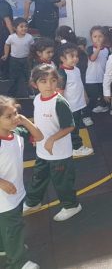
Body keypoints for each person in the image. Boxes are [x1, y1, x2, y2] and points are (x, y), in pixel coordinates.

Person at [23, 64, 82, 222]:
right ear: (34, 84)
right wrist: (35, 137)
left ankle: (71, 205)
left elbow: (69, 126)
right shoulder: (37, 99)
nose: (49, 85)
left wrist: (51, 139)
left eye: (53, 80)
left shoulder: (59, 102)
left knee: (62, 181)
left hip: (60, 154)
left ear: (57, 81)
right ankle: (33, 202)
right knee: (38, 177)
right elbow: (40, 122)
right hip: (42, 151)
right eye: (43, 81)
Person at [0, 96, 43, 269]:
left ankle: (5, 248)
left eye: (15, 113)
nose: (14, 118)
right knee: (14, 227)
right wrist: (1, 183)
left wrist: (24, 121)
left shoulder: (17, 132)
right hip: (4, 197)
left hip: (15, 191)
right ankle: (17, 262)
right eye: (8, 116)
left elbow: (39, 136)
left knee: (7, 226)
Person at [56, 44, 94, 157]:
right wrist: (62, 107)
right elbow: (60, 92)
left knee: (76, 125)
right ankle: (76, 147)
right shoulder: (62, 73)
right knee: (73, 127)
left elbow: (79, 84)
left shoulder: (76, 69)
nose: (75, 58)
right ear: (62, 59)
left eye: (76, 56)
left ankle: (71, 144)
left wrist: (85, 96)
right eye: (71, 56)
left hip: (77, 104)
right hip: (70, 106)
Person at [2, 18, 34, 98]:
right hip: (14, 60)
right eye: (21, 26)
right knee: (13, 78)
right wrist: (6, 54)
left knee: (28, 77)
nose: (24, 28)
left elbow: (32, 47)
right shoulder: (11, 37)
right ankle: (11, 94)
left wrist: (32, 56)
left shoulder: (29, 37)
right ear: (15, 28)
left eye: (26, 26)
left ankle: (31, 92)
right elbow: (7, 44)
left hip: (26, 60)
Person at [85, 26, 110, 115]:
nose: (98, 39)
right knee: (93, 96)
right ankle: (87, 114)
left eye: (100, 36)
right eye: (95, 37)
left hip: (102, 77)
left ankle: (102, 107)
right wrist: (98, 48)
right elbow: (92, 58)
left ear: (104, 37)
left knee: (102, 95)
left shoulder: (107, 49)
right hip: (91, 78)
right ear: (91, 38)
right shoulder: (90, 48)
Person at [0, 0, 14, 80]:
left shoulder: (2, 4)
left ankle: (5, 74)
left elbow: (7, 20)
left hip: (4, 33)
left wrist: (12, 35)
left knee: (4, 52)